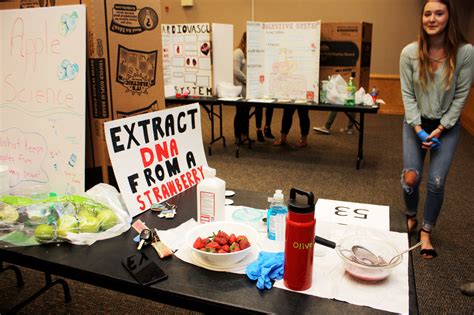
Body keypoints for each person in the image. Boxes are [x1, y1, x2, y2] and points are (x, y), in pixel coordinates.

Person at [399, 0, 472, 259]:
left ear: (449, 18)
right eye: (427, 13)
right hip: (415, 123)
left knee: (436, 181)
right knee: (411, 179)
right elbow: (407, 95)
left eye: (438, 13)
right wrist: (418, 128)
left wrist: (440, 128)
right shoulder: (409, 53)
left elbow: (461, 96)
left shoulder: (465, 53)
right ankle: (410, 216)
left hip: (447, 127)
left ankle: (426, 232)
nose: (431, 19)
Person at [233, 32, 252, 144]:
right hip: (240, 89)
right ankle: (237, 136)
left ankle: (245, 135)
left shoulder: (247, 53)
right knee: (240, 113)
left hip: (247, 89)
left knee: (246, 113)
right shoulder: (238, 52)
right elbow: (236, 71)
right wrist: (248, 80)